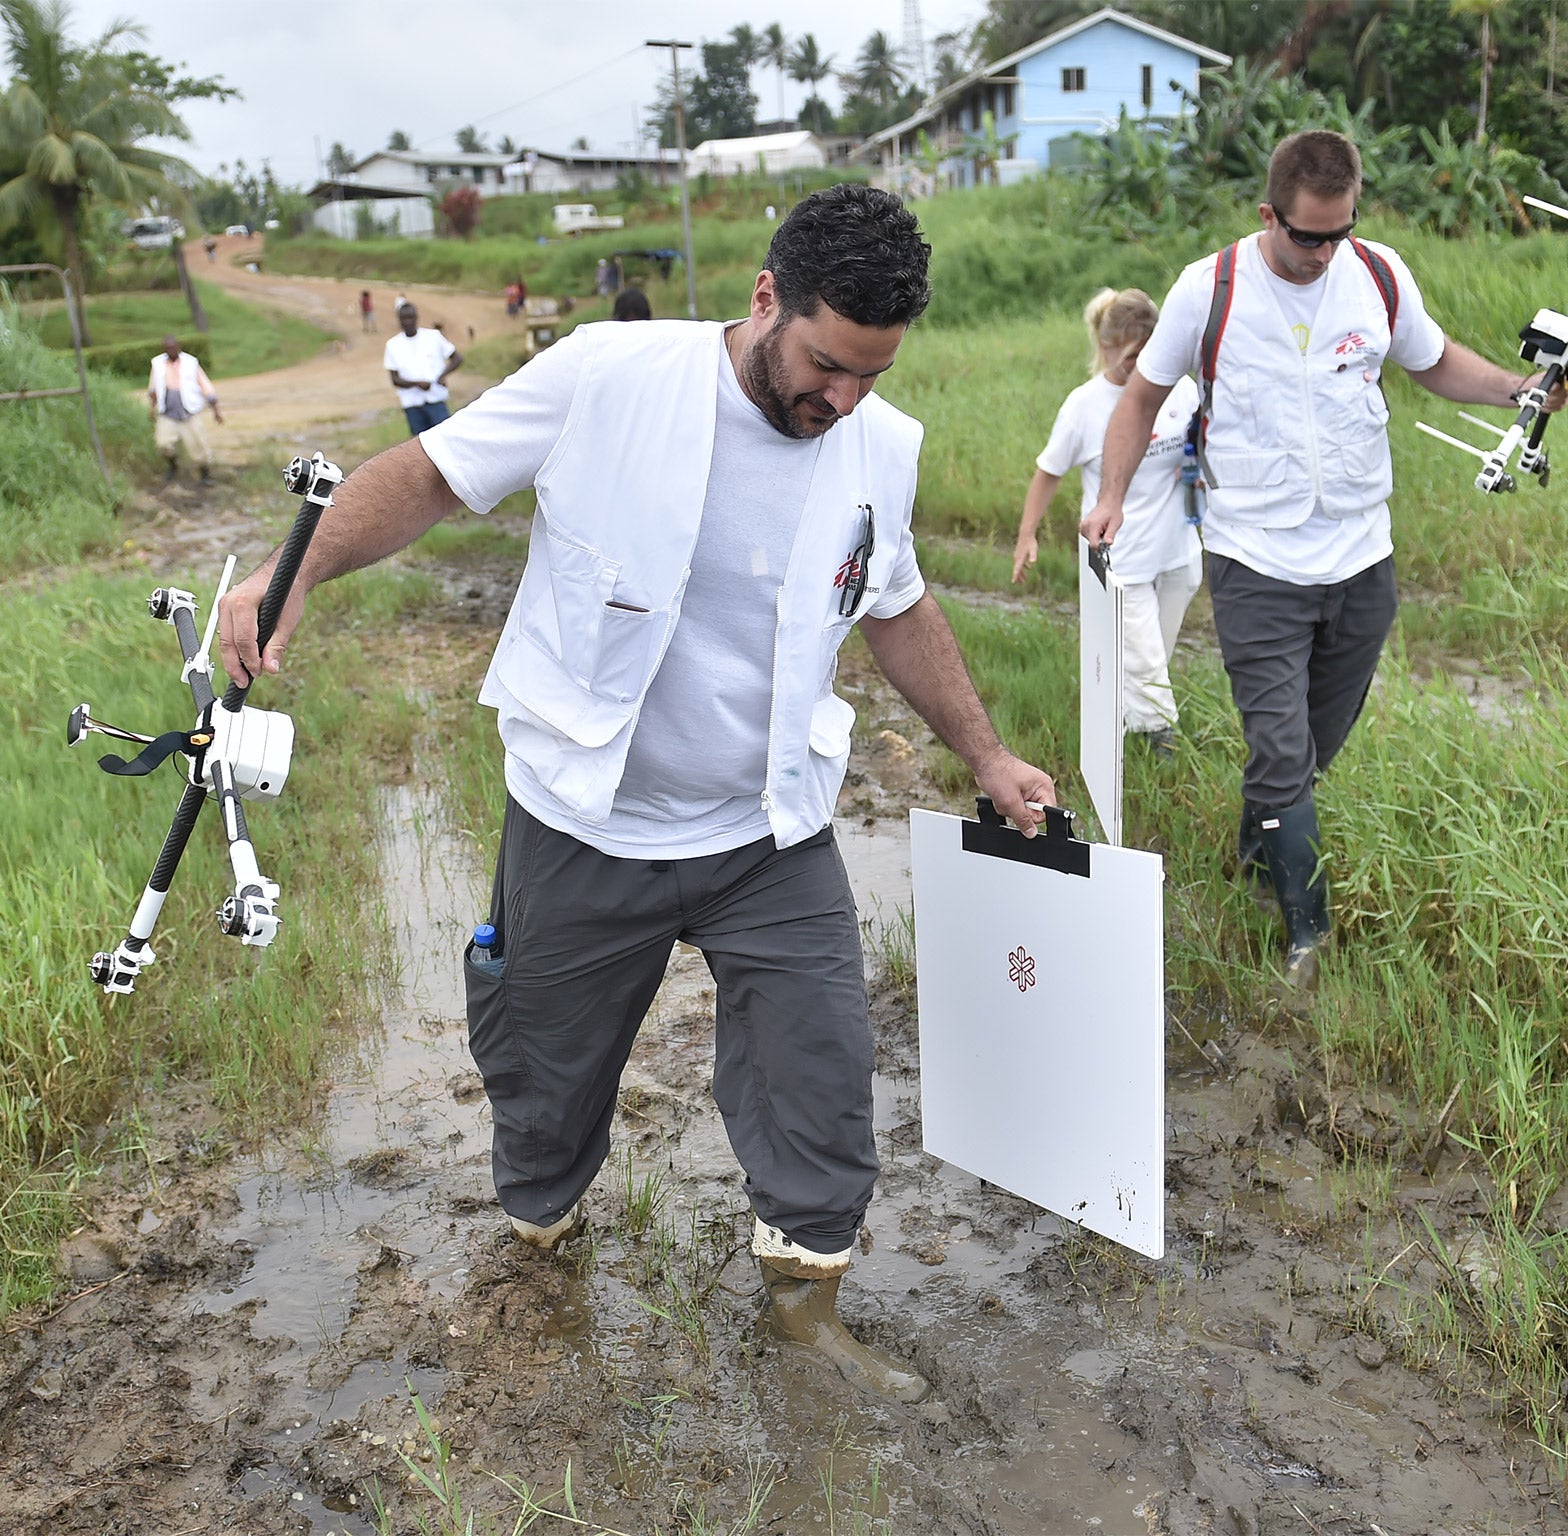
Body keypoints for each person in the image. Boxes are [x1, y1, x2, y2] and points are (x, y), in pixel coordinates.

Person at [214, 183, 1054, 1403]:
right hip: (584, 818)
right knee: (545, 1086)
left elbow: (897, 602)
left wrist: (984, 755)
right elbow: (436, 475)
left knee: (820, 1071)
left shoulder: (880, 445)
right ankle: (542, 1240)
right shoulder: (611, 375)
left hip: (768, 829)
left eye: (871, 376)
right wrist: (300, 573)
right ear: (765, 298)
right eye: (826, 366)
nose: (843, 401)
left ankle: (806, 1310)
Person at [1086, 130, 1567, 993]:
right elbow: (1141, 401)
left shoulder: (1378, 274)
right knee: (1280, 751)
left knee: (1306, 752)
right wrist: (1112, 497)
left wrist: (1518, 389)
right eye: (1308, 235)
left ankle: (1252, 840)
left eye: (1340, 231)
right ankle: (1308, 934)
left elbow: (1434, 361)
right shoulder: (1212, 289)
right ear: (1269, 214)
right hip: (1254, 559)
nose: (1324, 252)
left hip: (1359, 560)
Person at [1013, 287, 1200, 755]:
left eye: (1151, 351)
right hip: (1123, 556)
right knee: (1147, 664)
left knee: (1150, 656)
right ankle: (1163, 748)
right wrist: (1027, 535)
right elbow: (1048, 472)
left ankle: (1112, 726)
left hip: (1179, 548)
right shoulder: (1085, 405)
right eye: (1133, 356)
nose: (1143, 364)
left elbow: (1200, 442)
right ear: (1107, 347)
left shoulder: (1181, 388)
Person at [145, 334, 222, 484]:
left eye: (172, 347)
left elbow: (205, 385)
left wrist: (216, 410)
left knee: (198, 445)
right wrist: (152, 408)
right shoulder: (158, 364)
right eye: (167, 348)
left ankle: (205, 474)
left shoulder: (190, 363)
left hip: (189, 411)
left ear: (178, 347)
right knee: (163, 444)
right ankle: (173, 466)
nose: (170, 351)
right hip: (168, 411)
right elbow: (153, 389)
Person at [383, 301, 462, 435]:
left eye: (410, 317)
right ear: (399, 320)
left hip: (435, 399)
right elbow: (395, 379)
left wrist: (442, 376)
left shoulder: (433, 337)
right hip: (412, 404)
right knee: (420, 446)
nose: (408, 322)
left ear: (416, 317)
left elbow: (457, 358)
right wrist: (416, 384)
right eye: (404, 318)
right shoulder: (393, 345)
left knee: (444, 438)